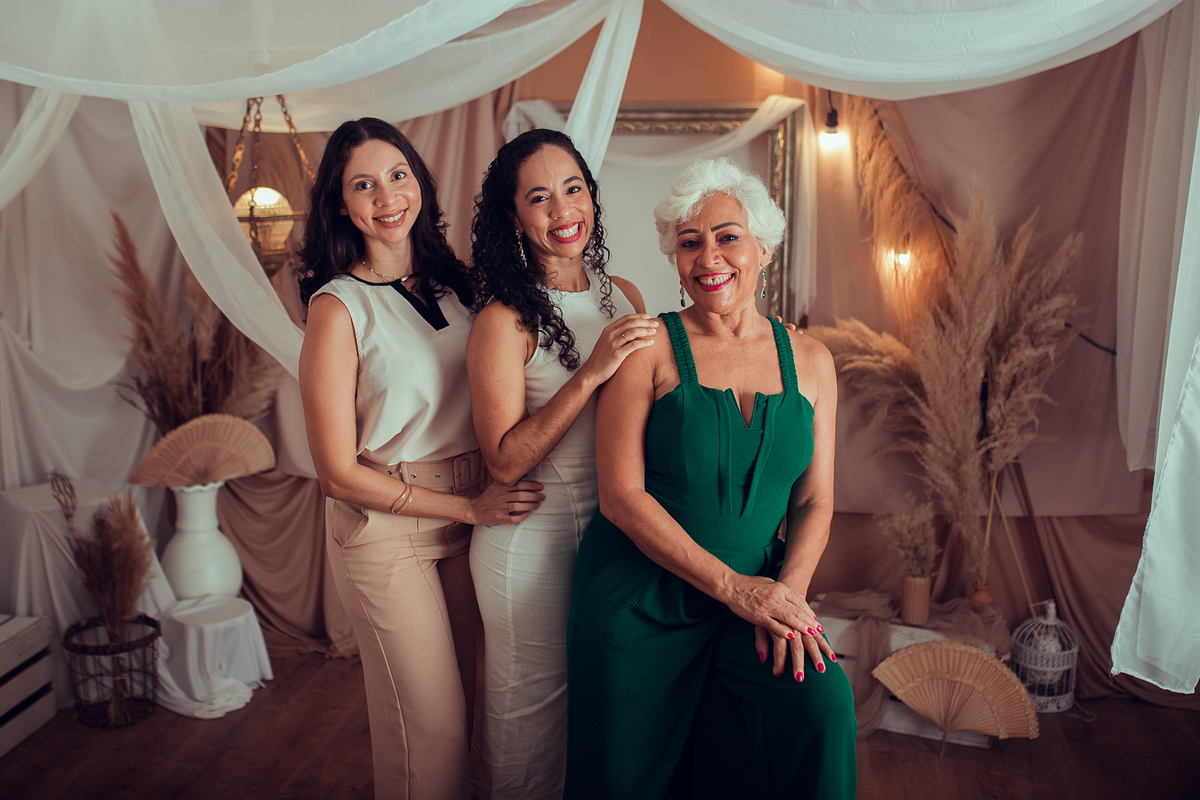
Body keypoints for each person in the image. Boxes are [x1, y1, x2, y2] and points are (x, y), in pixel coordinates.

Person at [564, 157, 857, 799]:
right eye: (690, 242)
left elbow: (815, 498)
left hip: (758, 595)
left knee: (822, 709)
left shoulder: (812, 360)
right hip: (642, 600)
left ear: (763, 249)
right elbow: (620, 497)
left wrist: (787, 596)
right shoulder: (644, 347)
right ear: (675, 259)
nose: (709, 258)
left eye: (728, 237)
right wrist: (733, 588)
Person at [296, 118, 543, 800]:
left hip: (474, 515)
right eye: (363, 185)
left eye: (398, 175)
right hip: (388, 527)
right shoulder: (337, 308)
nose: (387, 197)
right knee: (428, 731)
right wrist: (469, 508)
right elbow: (336, 473)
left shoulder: (462, 287)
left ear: (421, 183)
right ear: (340, 203)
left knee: (475, 708)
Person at [465, 128, 657, 799]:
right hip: (530, 540)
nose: (562, 210)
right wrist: (592, 370)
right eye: (539, 197)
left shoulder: (623, 295)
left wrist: (763, 343)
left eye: (573, 188)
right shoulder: (504, 319)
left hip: (612, 533)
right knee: (529, 714)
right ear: (514, 217)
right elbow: (503, 460)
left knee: (595, 703)